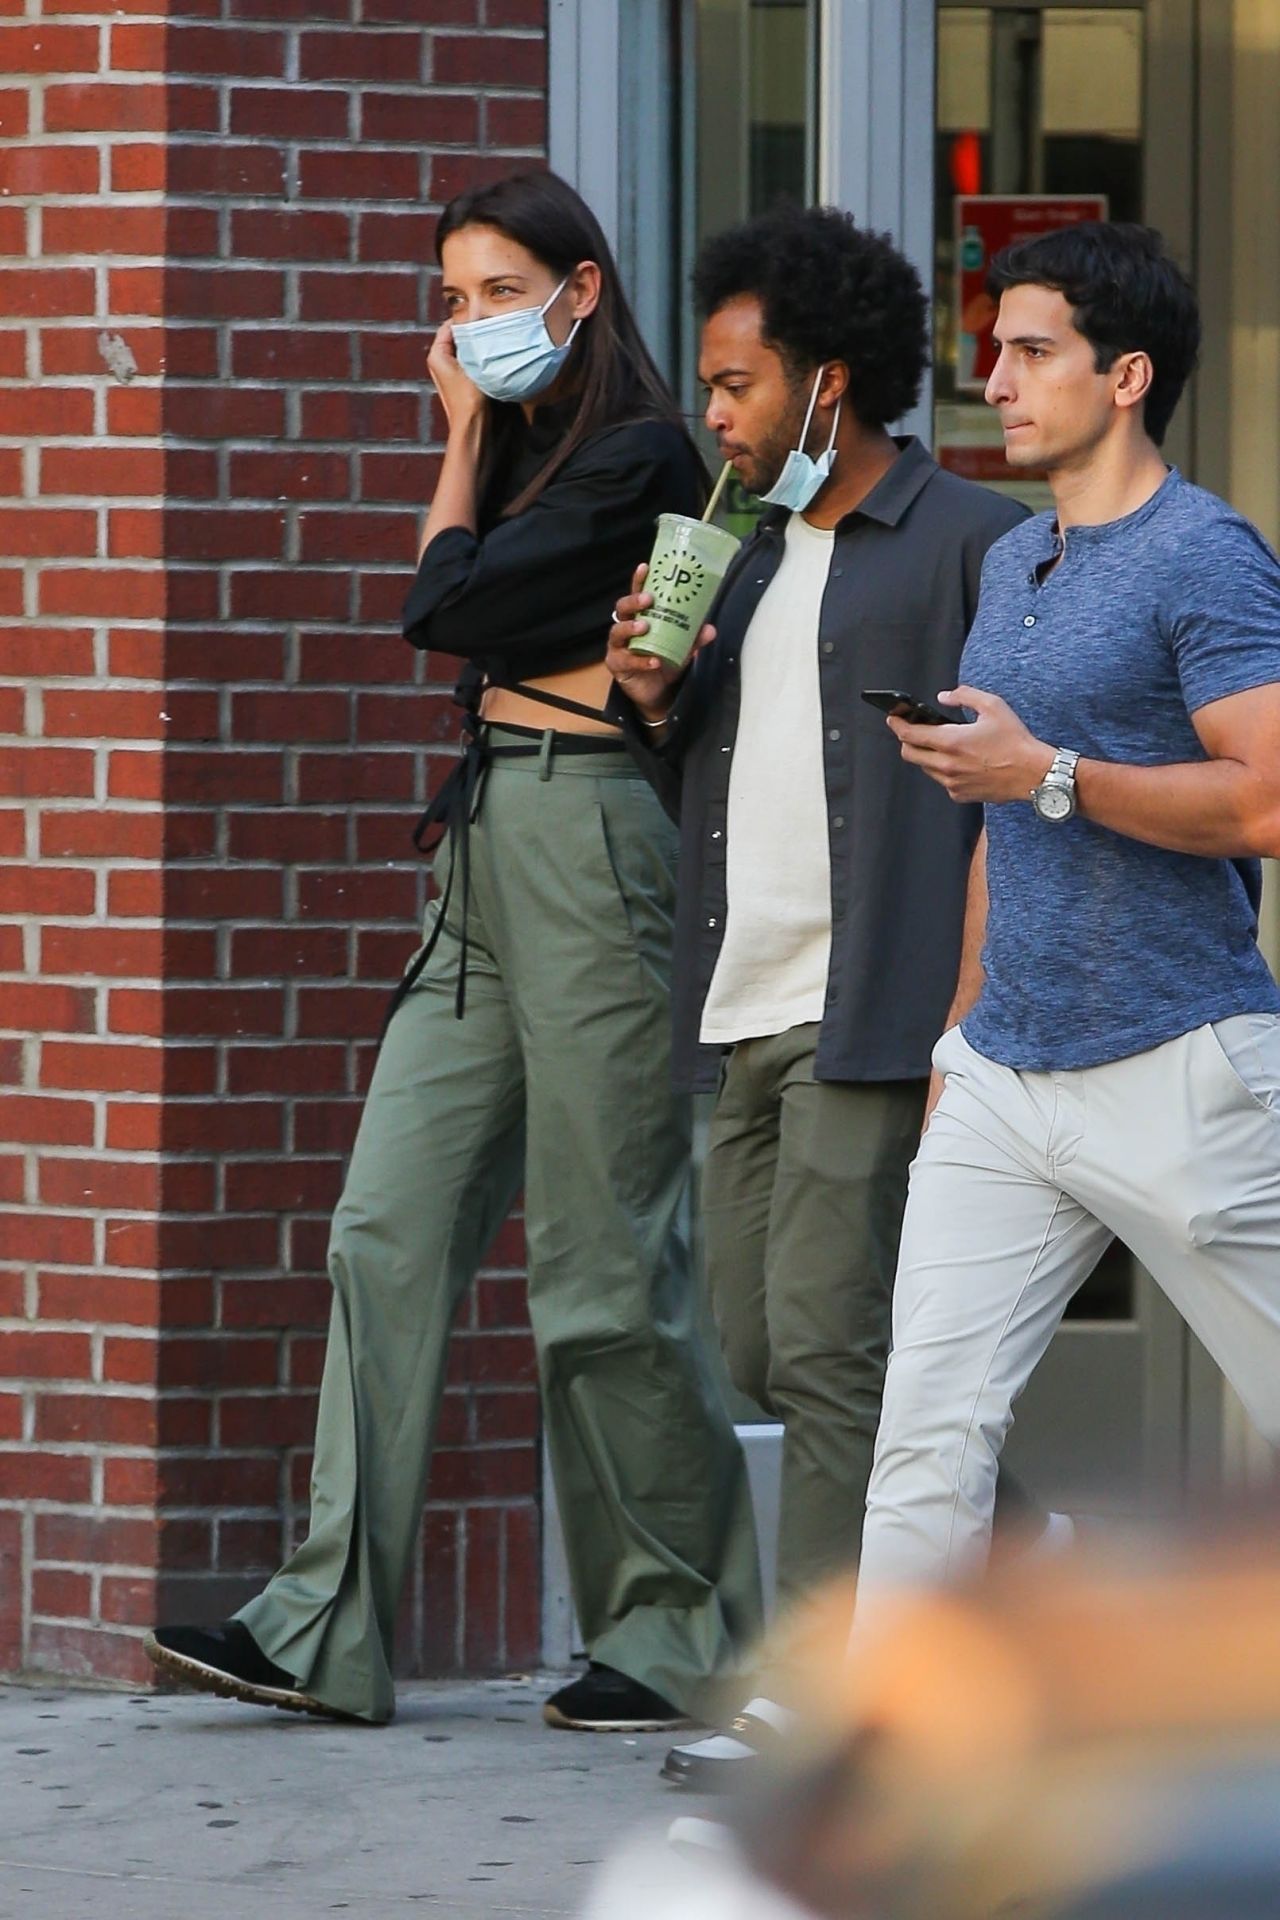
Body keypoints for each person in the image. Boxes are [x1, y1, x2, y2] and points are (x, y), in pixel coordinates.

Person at [145, 169, 761, 1732]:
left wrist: (460, 435)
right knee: (384, 1226)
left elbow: (447, 601)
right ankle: (323, 1626)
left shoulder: (641, 458)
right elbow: (471, 613)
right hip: (486, 849)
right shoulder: (558, 456)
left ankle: (673, 1629)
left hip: (591, 840)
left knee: (604, 1261)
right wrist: (485, 447)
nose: (467, 326)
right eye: (450, 300)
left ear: (581, 292)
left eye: (498, 292)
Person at [604, 204, 1052, 1790]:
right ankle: (1020, 1549)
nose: (711, 419)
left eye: (734, 387)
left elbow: (1013, 791)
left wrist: (976, 1002)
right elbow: (726, 779)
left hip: (881, 1003)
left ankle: (829, 1681)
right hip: (741, 999)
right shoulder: (739, 545)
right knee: (753, 1339)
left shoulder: (974, 543)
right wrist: (655, 695)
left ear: (829, 385)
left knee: (832, 1338)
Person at [852, 221, 1280, 1618]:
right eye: (993, 350)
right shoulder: (1015, 560)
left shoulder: (1204, 555)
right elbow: (998, 816)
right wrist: (955, 1040)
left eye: (1033, 351)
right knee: (923, 1439)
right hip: (1004, 1074)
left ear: (1130, 375)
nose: (997, 378)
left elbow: (1265, 799)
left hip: (1179, 1058)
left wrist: (1047, 771)